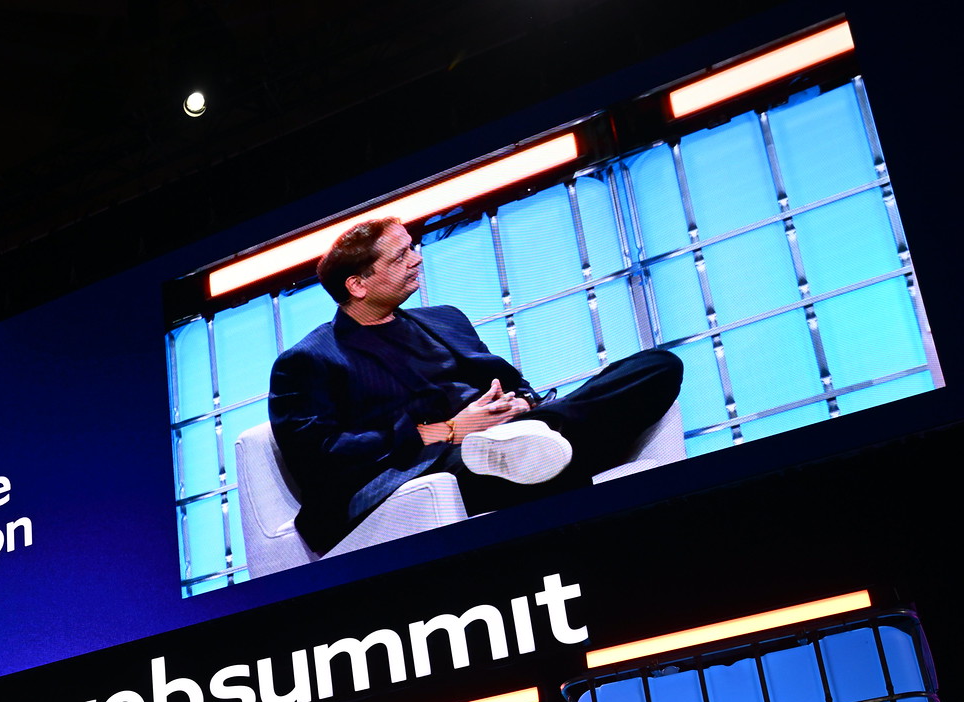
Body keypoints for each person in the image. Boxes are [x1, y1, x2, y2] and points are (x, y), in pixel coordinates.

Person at [267, 216, 684, 556]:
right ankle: (529, 445)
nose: (417, 259)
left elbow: (516, 383)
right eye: (400, 256)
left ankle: (532, 438)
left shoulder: (444, 319)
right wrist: (451, 430)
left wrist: (520, 404)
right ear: (357, 284)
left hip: (511, 429)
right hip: (430, 462)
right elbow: (323, 459)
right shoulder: (309, 360)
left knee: (658, 365)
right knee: (500, 453)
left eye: (411, 248)